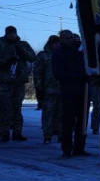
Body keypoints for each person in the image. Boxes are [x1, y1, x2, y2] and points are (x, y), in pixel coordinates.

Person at [0, 25, 36, 142]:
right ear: (6, 34)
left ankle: (17, 132)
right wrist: (7, 60)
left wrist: (22, 53)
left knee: (17, 108)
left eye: (13, 33)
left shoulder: (23, 44)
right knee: (5, 108)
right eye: (9, 33)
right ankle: (5, 132)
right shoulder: (0, 45)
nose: (12, 35)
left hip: (19, 81)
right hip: (6, 81)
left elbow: (32, 57)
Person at [52, 30, 90, 159]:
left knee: (82, 120)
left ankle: (80, 148)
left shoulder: (79, 49)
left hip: (83, 90)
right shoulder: (58, 52)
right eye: (67, 38)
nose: (70, 40)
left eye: (71, 37)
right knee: (68, 121)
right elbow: (59, 73)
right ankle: (67, 148)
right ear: (61, 39)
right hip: (68, 90)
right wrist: (79, 77)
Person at [33, 36, 62, 143]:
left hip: (62, 89)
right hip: (48, 89)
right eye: (55, 43)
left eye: (58, 43)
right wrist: (39, 87)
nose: (57, 45)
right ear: (50, 44)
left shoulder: (63, 54)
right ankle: (47, 134)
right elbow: (37, 73)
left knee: (61, 114)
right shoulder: (43, 55)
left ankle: (60, 133)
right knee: (48, 113)